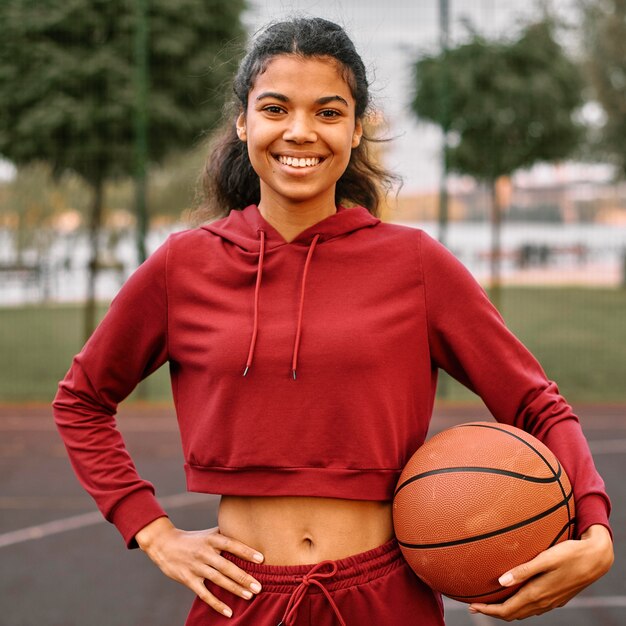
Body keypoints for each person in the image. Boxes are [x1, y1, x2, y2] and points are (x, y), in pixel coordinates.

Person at [53, 17, 613, 626]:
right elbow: (81, 399)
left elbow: (536, 402)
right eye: (275, 108)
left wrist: (595, 526)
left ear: (355, 129)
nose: (300, 131)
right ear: (244, 122)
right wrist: (152, 529)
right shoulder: (183, 267)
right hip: (239, 599)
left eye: (327, 112)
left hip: (386, 597)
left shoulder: (415, 264)